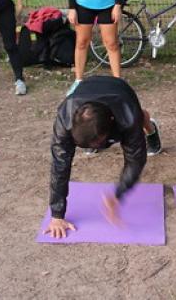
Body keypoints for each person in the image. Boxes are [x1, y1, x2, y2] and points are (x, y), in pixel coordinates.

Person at [44, 76, 162, 238]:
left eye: (97, 142)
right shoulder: (65, 119)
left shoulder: (128, 116)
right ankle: (91, 139)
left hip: (120, 91)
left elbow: (135, 161)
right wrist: (57, 215)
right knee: (73, 149)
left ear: (111, 125)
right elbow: (60, 165)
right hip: (88, 89)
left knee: (139, 118)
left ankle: (150, 127)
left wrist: (118, 193)